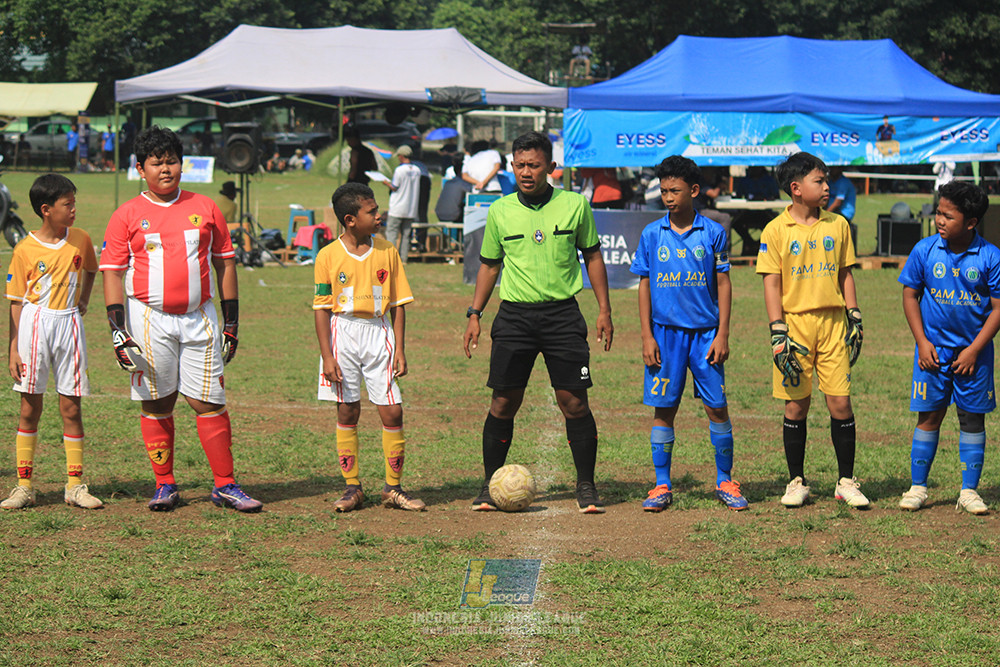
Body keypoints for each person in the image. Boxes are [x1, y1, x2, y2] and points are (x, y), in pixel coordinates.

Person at [100, 126, 262, 513]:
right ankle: (164, 485)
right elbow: (112, 273)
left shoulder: (206, 208)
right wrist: (118, 330)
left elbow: (225, 263)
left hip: (200, 317)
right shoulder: (126, 215)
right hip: (148, 319)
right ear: (141, 169)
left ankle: (225, 485)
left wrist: (232, 323)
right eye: (156, 163)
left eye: (171, 161)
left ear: (182, 164)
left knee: (209, 401)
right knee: (158, 401)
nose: (165, 169)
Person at [463, 131, 614, 514]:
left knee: (574, 402)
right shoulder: (500, 211)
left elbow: (593, 257)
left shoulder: (575, 205)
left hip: (563, 316)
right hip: (514, 317)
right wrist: (474, 313)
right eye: (520, 165)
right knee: (503, 402)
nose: (526, 172)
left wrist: (604, 310)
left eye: (534, 165)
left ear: (551, 167)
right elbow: (489, 266)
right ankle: (489, 484)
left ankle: (586, 485)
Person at [629, 156, 747, 512]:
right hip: (665, 337)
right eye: (664, 190)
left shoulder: (712, 232)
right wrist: (647, 336)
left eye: (675, 191)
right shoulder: (652, 234)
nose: (668, 197)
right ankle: (661, 484)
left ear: (694, 191)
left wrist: (723, 333)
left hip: (706, 336)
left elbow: (723, 284)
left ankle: (725, 479)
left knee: (717, 408)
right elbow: (644, 285)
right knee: (664, 410)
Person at [755, 152, 868, 508]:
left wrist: (854, 314)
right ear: (796, 188)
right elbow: (771, 283)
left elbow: (845, 273)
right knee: (796, 406)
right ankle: (796, 481)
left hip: (833, 324)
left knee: (841, 402)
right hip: (795, 328)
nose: (826, 187)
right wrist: (777, 330)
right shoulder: (775, 230)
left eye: (825, 180)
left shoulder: (838, 225)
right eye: (819, 181)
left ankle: (846, 481)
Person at [313, 183, 424, 513]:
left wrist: (400, 349)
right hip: (342, 333)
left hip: (379, 332)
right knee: (347, 410)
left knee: (392, 410)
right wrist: (327, 356)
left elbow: (398, 304)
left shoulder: (387, 251)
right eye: (371, 211)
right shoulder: (327, 256)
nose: (379, 215)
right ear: (350, 219)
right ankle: (352, 487)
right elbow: (321, 308)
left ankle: (393, 488)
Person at [897, 182, 1000, 514]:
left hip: (974, 355)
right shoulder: (925, 250)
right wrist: (922, 342)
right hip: (932, 353)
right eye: (938, 212)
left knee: (972, 419)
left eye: (948, 216)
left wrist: (974, 350)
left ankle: (969, 491)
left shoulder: (990, 256)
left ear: (971, 222)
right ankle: (918, 487)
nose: (939, 220)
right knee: (929, 416)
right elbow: (910, 295)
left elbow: (998, 309)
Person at [1, 174, 102, 510]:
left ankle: (74, 485)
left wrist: (84, 299)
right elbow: (16, 302)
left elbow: (91, 269)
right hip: (35, 325)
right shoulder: (25, 249)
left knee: (71, 407)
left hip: (69, 324)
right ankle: (24, 487)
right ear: (46, 210)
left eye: (74, 203)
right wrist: (13, 348)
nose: (74, 209)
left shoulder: (81, 239)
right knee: (29, 408)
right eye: (67, 204)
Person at [383, 144, 421, 263]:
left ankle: (391, 258)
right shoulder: (417, 170)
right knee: (406, 235)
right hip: (411, 208)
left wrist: (386, 183)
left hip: (398, 207)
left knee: (392, 233)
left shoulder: (399, 170)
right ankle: (403, 258)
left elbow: (395, 187)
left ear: (401, 156)